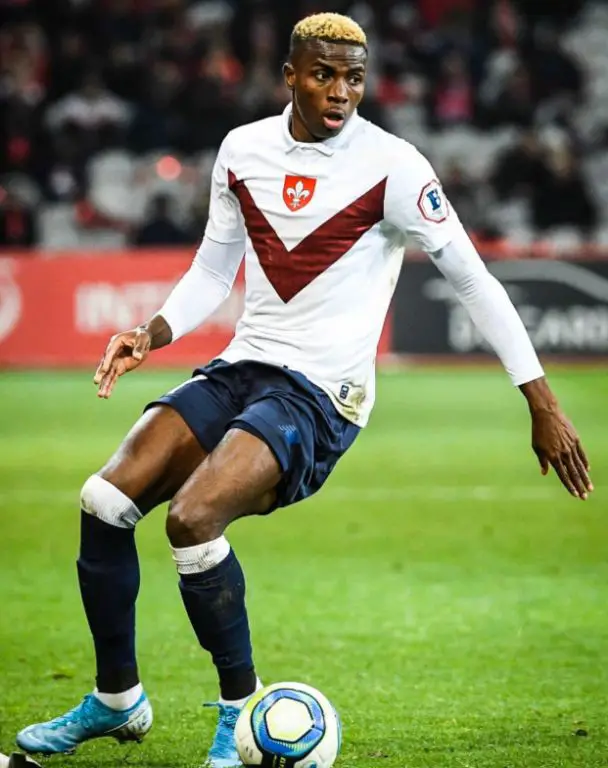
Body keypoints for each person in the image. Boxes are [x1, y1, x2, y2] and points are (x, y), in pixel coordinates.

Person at [16, 12, 593, 768]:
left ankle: (238, 714)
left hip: (322, 394)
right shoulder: (243, 150)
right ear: (290, 76)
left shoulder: (395, 167)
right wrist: (151, 332)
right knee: (104, 500)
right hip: (246, 363)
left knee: (192, 518)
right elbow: (214, 269)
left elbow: (474, 281)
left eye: (354, 78)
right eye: (323, 75)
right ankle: (117, 699)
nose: (340, 92)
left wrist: (541, 401)